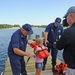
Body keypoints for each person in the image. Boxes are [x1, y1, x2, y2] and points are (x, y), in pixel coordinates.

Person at [56, 6, 75, 75]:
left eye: (66, 18)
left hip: (73, 68)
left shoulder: (69, 31)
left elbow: (59, 46)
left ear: (71, 16)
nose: (66, 21)